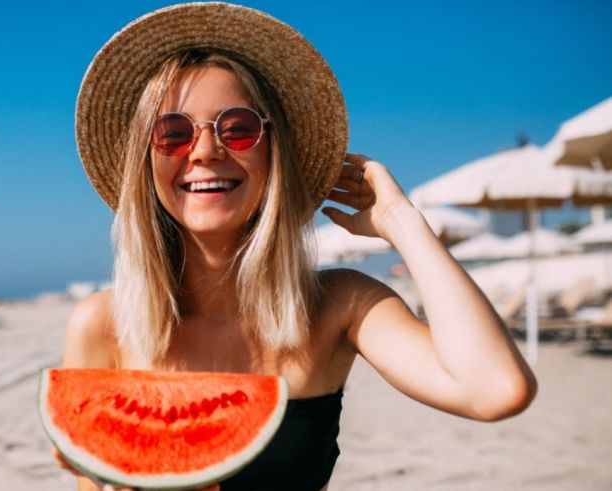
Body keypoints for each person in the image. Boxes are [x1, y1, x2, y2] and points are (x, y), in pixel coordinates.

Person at [54, 3, 536, 490]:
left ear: (272, 149)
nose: (204, 151)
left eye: (236, 128)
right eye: (172, 133)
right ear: (146, 161)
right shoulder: (104, 326)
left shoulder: (340, 306)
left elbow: (495, 390)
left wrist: (404, 224)